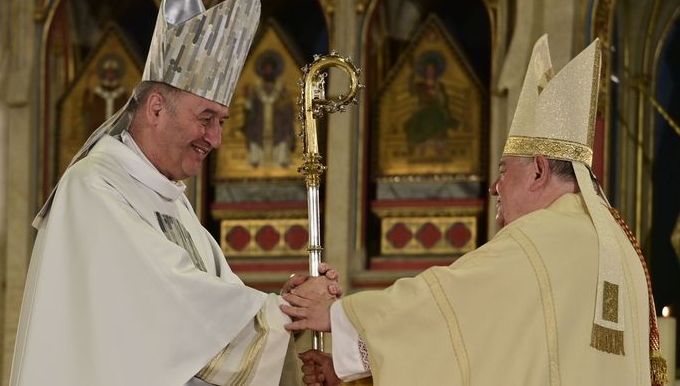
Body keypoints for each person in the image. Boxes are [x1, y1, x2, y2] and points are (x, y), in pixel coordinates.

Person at [10, 0, 338, 386]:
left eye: (221, 121)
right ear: (156, 109)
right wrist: (289, 312)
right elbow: (175, 310)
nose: (215, 139)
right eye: (206, 119)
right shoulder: (95, 188)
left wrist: (290, 303)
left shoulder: (169, 199)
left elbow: (214, 309)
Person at [281, 36, 668, 386]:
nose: (494, 187)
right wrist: (354, 368)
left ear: (538, 169)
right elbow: (489, 346)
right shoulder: (615, 242)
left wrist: (336, 315)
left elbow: (443, 308)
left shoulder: (539, 241)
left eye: (503, 172)